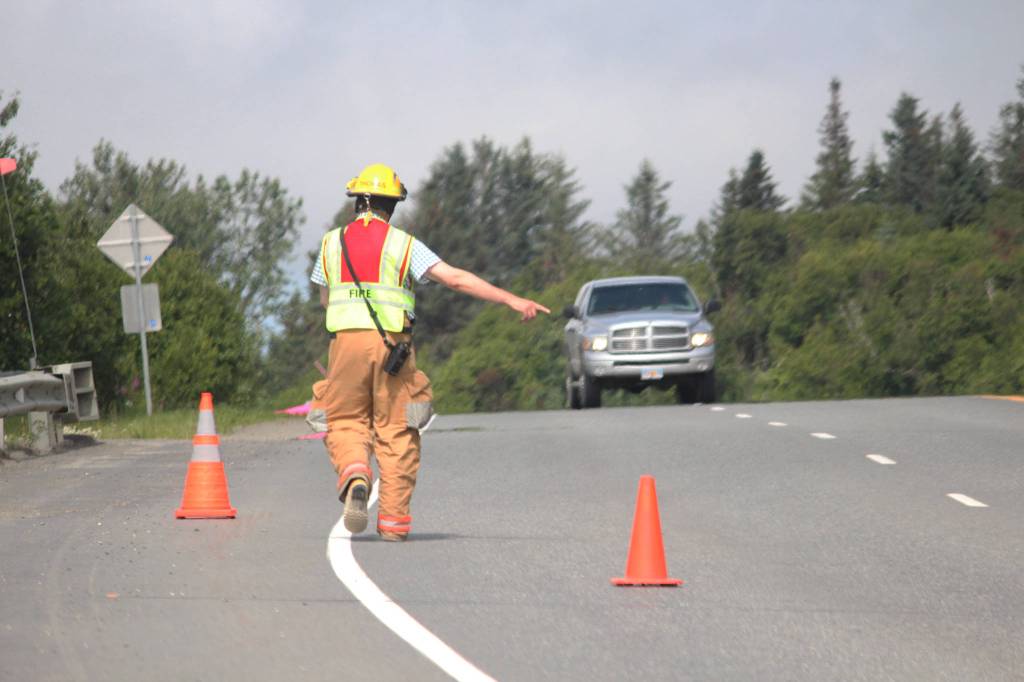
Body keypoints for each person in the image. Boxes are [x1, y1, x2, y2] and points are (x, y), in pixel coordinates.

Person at [310, 163, 549, 540]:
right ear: (392, 205)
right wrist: (511, 299)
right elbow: (454, 278)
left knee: (345, 421)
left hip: (344, 344)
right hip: (393, 348)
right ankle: (392, 522)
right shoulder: (403, 244)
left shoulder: (330, 244)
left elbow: (325, 300)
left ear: (358, 201)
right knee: (398, 428)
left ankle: (356, 475)